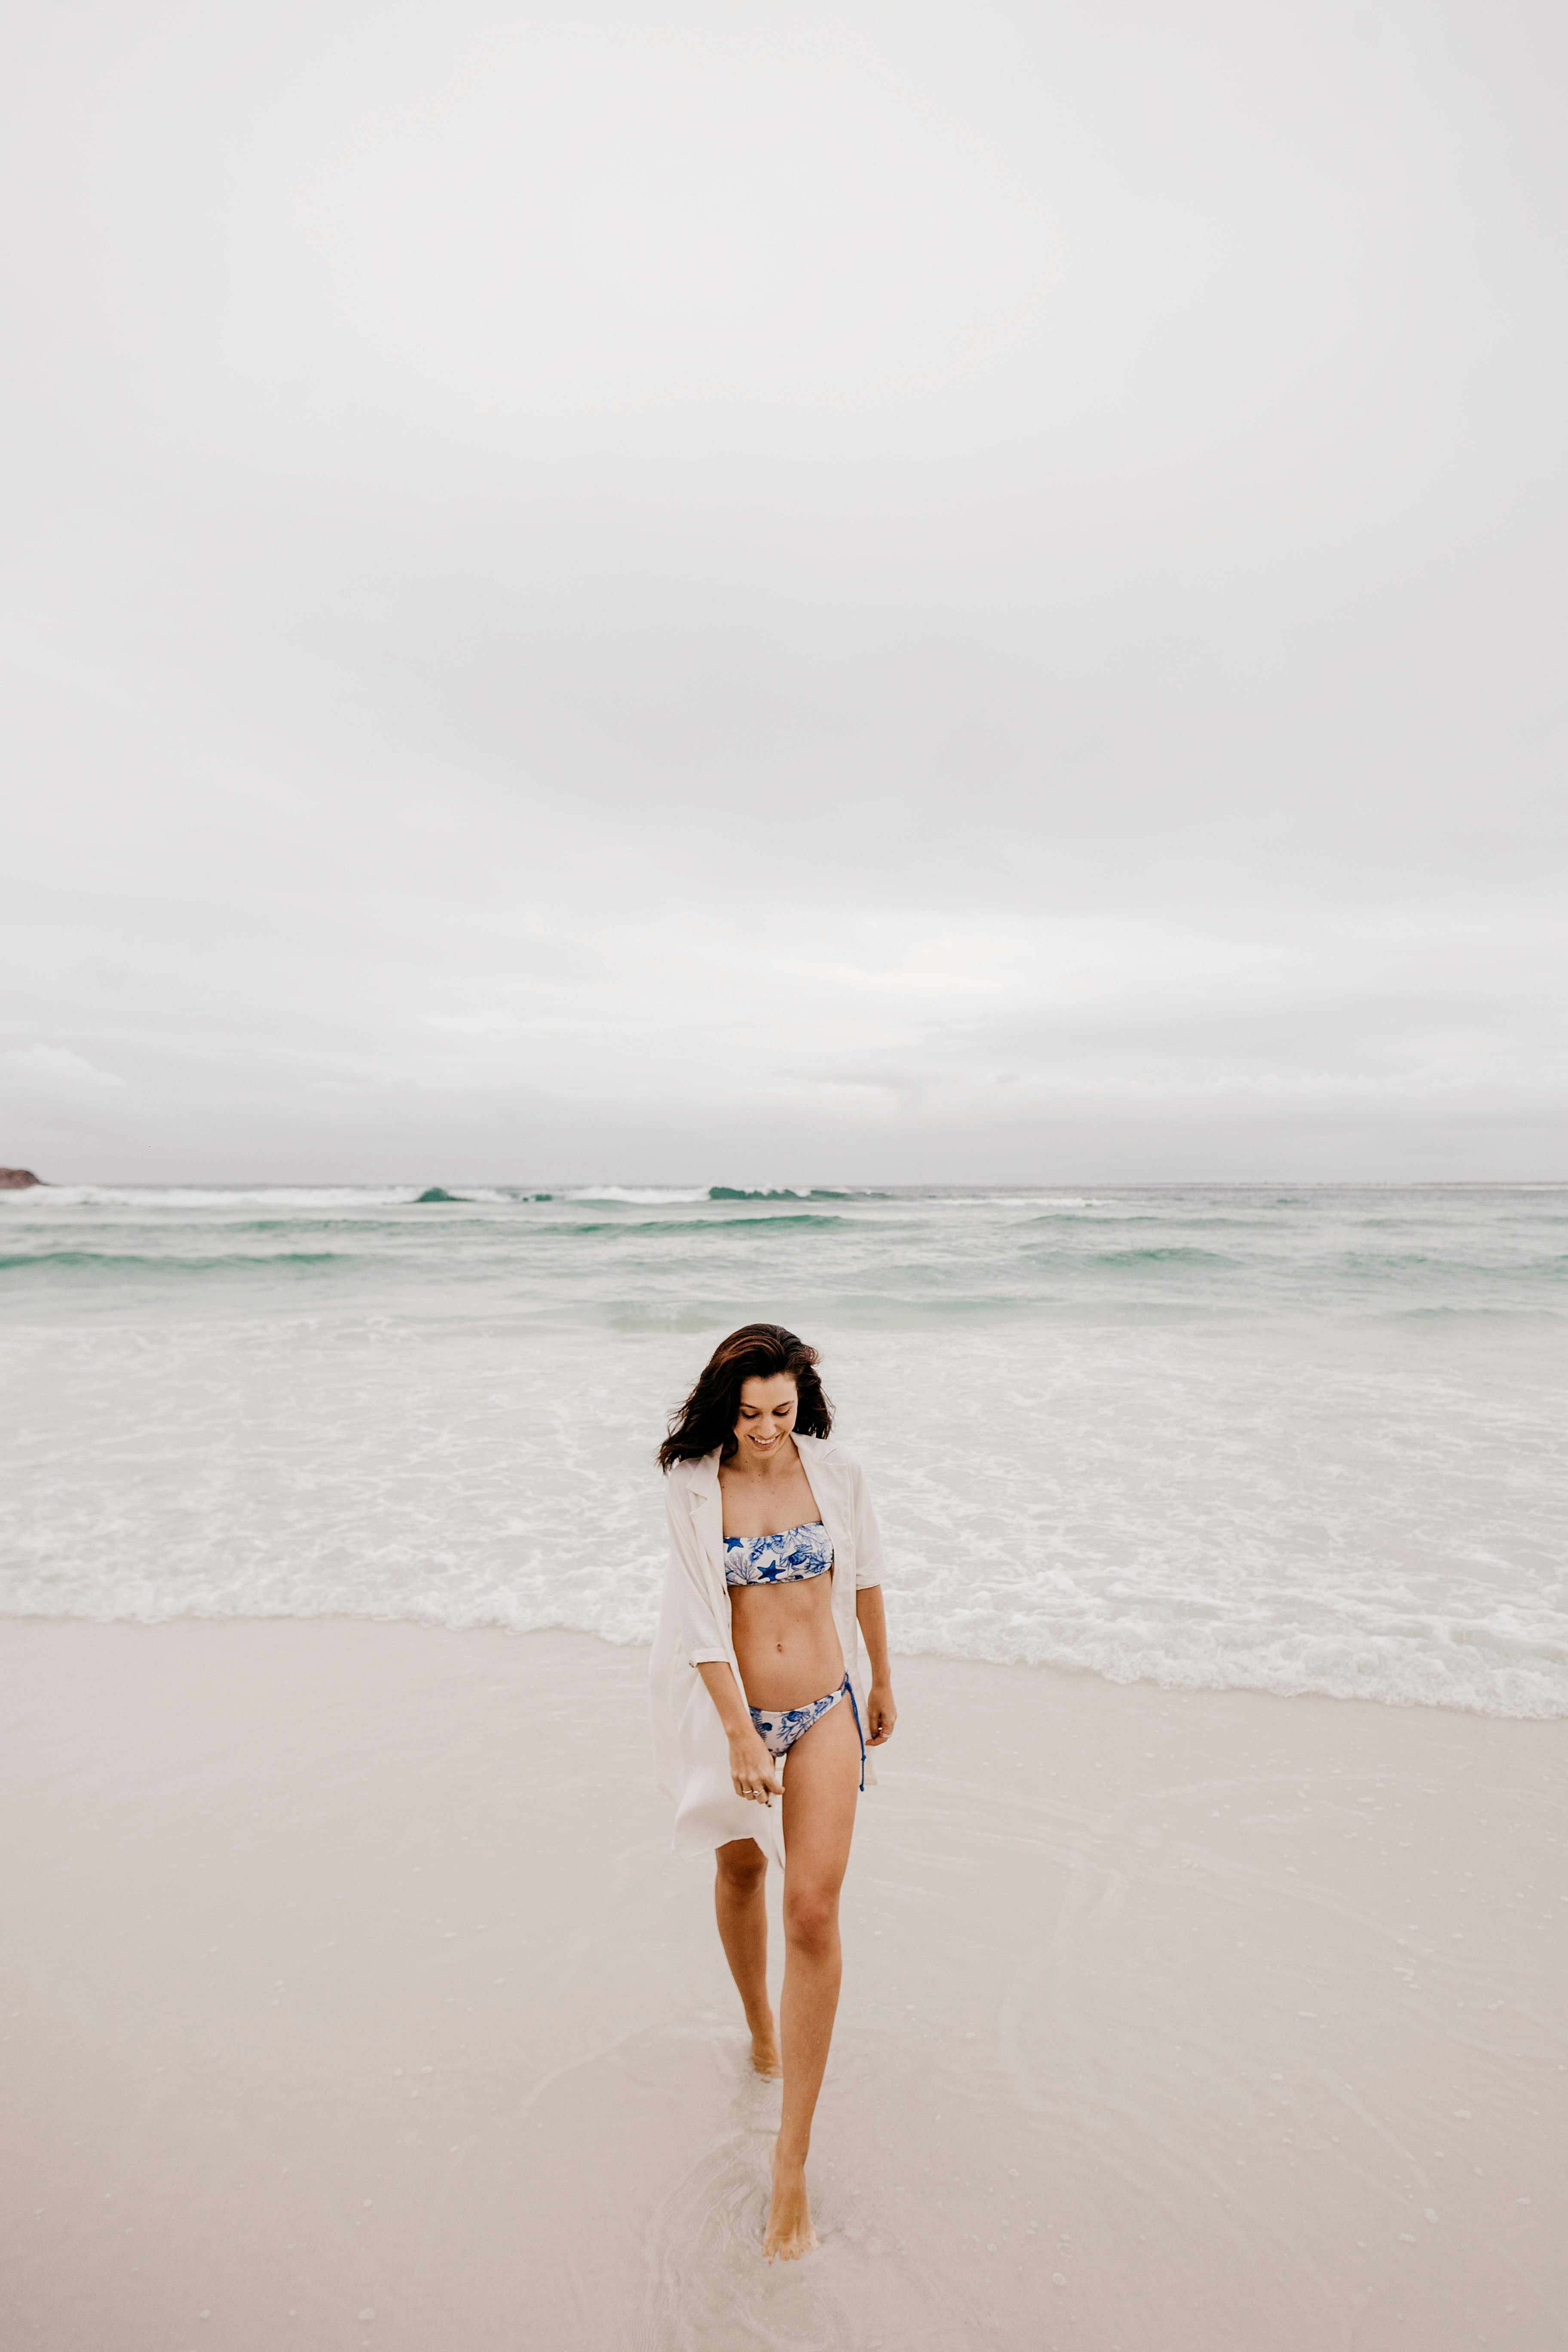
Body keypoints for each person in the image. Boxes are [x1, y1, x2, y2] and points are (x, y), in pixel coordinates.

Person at [650, 1322, 896, 2262]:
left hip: (826, 1707)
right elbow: (699, 1620)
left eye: (781, 1411)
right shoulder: (692, 1485)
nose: (765, 1428)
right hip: (732, 1713)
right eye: (749, 1412)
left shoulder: (838, 1474)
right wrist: (740, 1733)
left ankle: (790, 2161)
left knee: (812, 1913)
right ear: (727, 1405)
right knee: (743, 1877)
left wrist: (882, 1681)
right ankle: (759, 2022)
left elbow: (867, 1580)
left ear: (803, 1400)